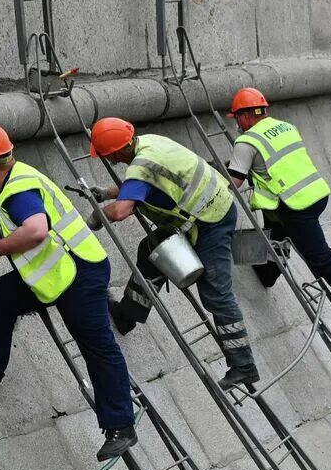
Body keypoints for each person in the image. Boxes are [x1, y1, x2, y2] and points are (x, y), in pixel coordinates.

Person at [0, 123, 139, 462]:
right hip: (58, 274)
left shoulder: (17, 191)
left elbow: (36, 230)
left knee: (97, 346)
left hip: (79, 275)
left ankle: (121, 426)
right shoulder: (10, 178)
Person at [86, 117, 262, 390]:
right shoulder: (151, 143)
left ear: (116, 151)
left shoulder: (141, 165)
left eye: (108, 156)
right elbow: (143, 183)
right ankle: (127, 315)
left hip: (210, 222)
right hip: (214, 208)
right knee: (150, 251)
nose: (109, 160)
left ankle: (243, 365)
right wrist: (107, 193)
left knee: (217, 292)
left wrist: (97, 216)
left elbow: (122, 210)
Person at [227, 89, 331, 338]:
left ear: (244, 116)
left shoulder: (247, 141)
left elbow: (235, 181)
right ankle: (267, 273)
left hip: (295, 205)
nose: (236, 124)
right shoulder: (285, 127)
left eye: (236, 118)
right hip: (314, 194)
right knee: (277, 233)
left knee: (321, 259)